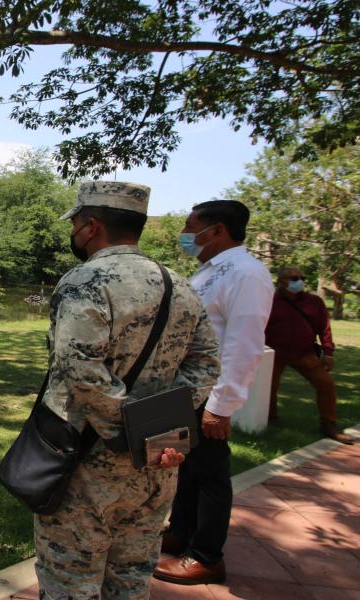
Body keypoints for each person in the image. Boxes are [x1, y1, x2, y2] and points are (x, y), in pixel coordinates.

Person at [33, 181, 220, 599]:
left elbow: (79, 368)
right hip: (157, 462)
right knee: (132, 579)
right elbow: (206, 363)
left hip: (84, 463)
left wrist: (127, 430)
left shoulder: (85, 281)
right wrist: (159, 431)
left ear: (90, 226)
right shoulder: (181, 285)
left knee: (71, 581)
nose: (76, 232)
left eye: (77, 223)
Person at [155, 200, 274, 585]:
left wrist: (221, 406)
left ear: (218, 230)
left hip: (210, 392)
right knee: (186, 467)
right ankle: (182, 532)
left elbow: (244, 343)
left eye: (191, 227)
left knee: (210, 473)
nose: (186, 235)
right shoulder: (210, 271)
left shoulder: (247, 274)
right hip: (187, 388)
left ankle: (206, 555)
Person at [265, 266, 353, 444]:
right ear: (280, 281)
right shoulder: (268, 301)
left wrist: (328, 353)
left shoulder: (314, 302)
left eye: (300, 277)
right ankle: (270, 420)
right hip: (275, 353)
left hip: (304, 353)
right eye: (293, 278)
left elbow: (324, 329)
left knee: (326, 384)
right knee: (268, 388)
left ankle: (329, 425)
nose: (299, 281)